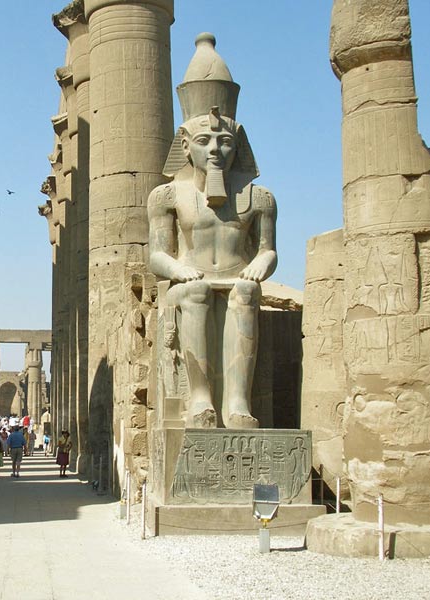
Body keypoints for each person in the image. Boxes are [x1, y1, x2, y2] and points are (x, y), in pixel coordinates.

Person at [147, 33, 276, 429]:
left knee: (246, 292)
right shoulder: (168, 195)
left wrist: (260, 266)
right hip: (192, 280)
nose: (216, 150)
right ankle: (201, 398)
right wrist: (178, 270)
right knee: (198, 292)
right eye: (205, 141)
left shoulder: (260, 197)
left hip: (236, 277)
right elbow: (157, 255)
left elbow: (268, 251)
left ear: (238, 145)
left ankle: (237, 401)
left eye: (224, 141)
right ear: (185, 146)